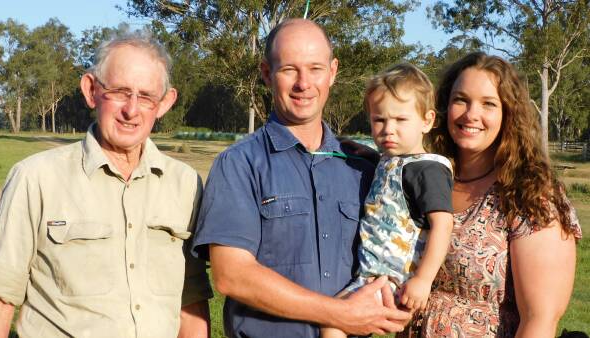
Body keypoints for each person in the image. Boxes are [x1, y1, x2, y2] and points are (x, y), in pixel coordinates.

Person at [191, 18, 411, 338]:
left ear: (333, 71)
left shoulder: (364, 168)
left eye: (316, 68)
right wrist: (340, 314)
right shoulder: (239, 164)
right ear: (267, 74)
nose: (304, 83)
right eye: (289, 69)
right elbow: (231, 275)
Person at [0, 31, 212, 338]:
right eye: (120, 92)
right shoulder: (36, 178)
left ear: (164, 103)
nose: (131, 110)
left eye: (146, 97)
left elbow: (192, 302)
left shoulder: (184, 183)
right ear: (91, 90)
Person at [400, 52, 582, 337]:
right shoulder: (428, 176)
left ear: (508, 113)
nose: (471, 114)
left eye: (488, 104)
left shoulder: (531, 193)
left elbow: (540, 319)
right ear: (445, 106)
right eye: (461, 99)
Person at [322, 64, 454, 338]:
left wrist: (423, 280)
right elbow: (394, 175)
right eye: (379, 120)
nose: (388, 130)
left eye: (400, 120)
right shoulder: (391, 160)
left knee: (333, 323)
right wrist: (370, 155)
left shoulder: (428, 170)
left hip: (395, 281)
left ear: (427, 121)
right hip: (372, 275)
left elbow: (443, 225)